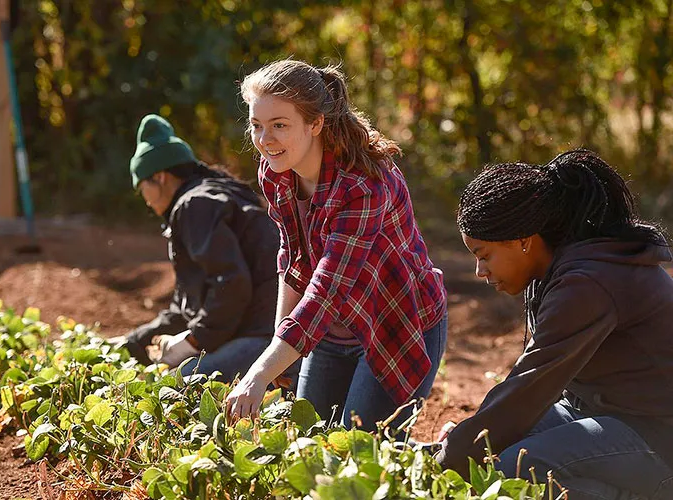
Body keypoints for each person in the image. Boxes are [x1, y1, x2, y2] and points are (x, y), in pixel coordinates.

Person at [225, 60, 447, 435]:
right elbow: (293, 258)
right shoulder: (277, 172)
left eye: (280, 125)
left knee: (361, 453)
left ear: (315, 124)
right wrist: (282, 343)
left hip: (394, 323)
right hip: (330, 329)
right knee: (311, 441)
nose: (265, 140)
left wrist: (259, 372)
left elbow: (329, 289)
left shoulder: (363, 185)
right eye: (257, 125)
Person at [436, 149, 673, 499]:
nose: (479, 272)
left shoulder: (588, 283)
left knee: (513, 470)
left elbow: (532, 386)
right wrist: (469, 438)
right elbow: (528, 387)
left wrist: (458, 451)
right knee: (487, 454)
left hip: (657, 437)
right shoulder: (558, 270)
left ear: (523, 241)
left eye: (484, 255)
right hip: (597, 412)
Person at [113, 114, 294, 385]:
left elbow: (231, 284)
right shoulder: (209, 196)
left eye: (142, 189)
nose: (146, 201)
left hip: (263, 339)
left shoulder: (194, 206)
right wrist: (132, 345)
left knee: (169, 387)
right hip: (269, 333)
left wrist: (194, 341)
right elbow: (186, 309)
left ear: (160, 177)